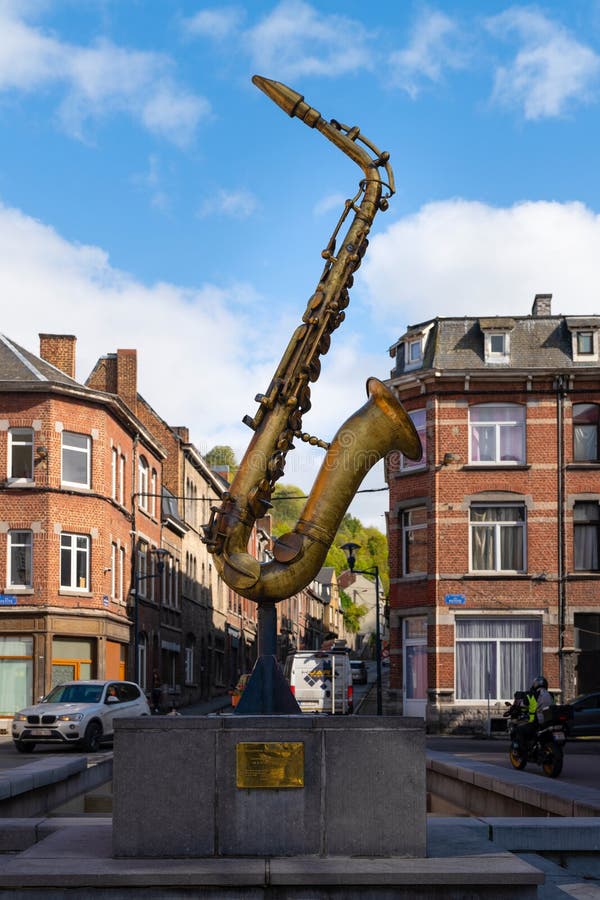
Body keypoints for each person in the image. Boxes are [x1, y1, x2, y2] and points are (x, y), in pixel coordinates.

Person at [514, 676, 553, 756]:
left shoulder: (532, 695)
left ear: (535, 685)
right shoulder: (551, 695)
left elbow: (523, 705)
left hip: (537, 722)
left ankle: (523, 753)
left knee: (519, 730)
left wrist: (517, 705)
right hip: (549, 722)